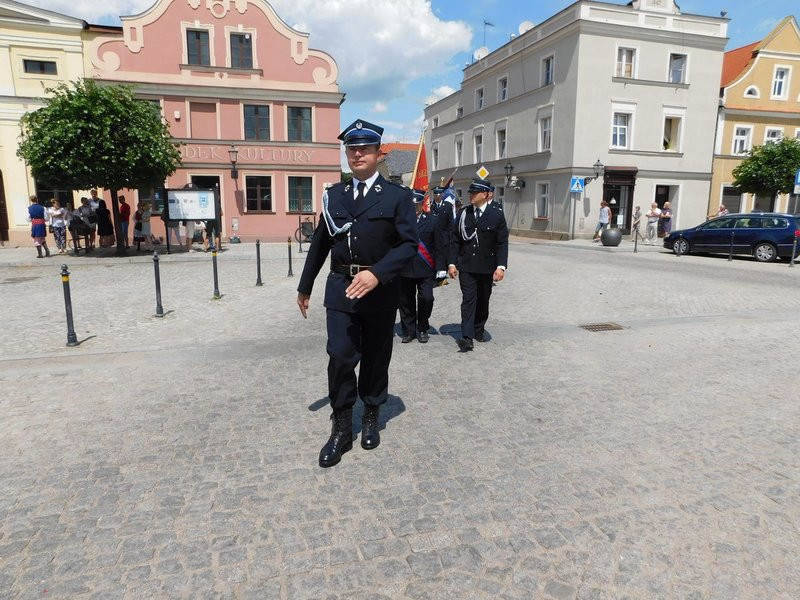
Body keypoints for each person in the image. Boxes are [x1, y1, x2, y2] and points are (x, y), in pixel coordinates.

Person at [296, 119, 417, 468]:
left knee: (376, 357)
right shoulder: (335, 195)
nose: (358, 154)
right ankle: (341, 427)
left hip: (379, 291)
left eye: (364, 148)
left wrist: (377, 273)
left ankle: (371, 415)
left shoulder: (397, 197)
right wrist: (305, 285)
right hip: (341, 289)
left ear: (379, 154)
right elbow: (321, 242)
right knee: (340, 356)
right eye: (352, 148)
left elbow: (409, 244)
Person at [448, 178, 509, 352]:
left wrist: (501, 267)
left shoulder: (496, 214)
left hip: (486, 266)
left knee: (483, 299)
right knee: (468, 300)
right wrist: (452, 263)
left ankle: (478, 328)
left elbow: (502, 242)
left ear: (486, 194)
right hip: (467, 265)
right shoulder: (463, 213)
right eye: (471, 192)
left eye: (475, 193)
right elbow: (455, 240)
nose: (471, 195)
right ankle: (467, 337)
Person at [399, 189, 446, 344]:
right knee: (405, 301)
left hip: (425, 268)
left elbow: (439, 246)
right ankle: (409, 330)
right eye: (412, 205)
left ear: (422, 204)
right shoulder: (401, 221)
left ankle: (422, 327)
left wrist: (441, 267)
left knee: (427, 298)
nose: (415, 208)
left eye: (417, 204)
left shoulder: (433, 221)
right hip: (405, 268)